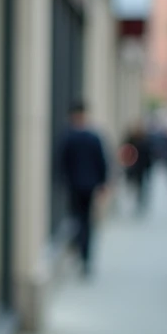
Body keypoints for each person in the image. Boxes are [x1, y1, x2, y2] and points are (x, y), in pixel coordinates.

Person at [57, 101, 108, 276]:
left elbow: (61, 163)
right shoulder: (91, 137)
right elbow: (101, 161)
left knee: (79, 219)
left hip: (77, 185)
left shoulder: (69, 136)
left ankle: (81, 251)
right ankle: (84, 254)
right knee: (84, 221)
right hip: (86, 185)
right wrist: (102, 183)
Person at [121, 121, 152, 214]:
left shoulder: (145, 140)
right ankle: (133, 200)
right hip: (132, 166)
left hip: (141, 167)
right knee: (132, 184)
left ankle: (139, 201)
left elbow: (148, 155)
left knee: (140, 185)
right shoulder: (131, 139)